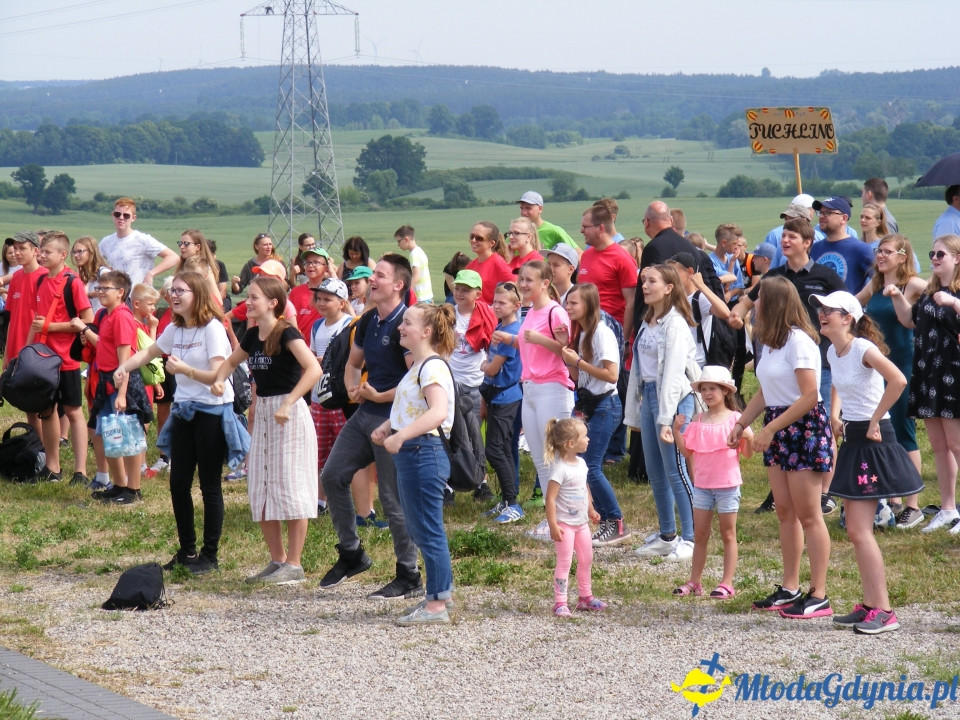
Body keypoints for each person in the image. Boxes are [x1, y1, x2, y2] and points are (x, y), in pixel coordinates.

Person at [115, 271, 248, 575]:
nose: (173, 296)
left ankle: (209, 556)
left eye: (180, 291)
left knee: (210, 485)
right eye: (172, 291)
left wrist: (184, 370)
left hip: (212, 412)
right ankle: (187, 551)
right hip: (185, 411)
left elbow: (217, 377)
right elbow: (149, 352)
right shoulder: (176, 328)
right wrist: (125, 367)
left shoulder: (212, 329)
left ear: (197, 294)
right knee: (178, 484)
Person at [811, 291, 923, 635]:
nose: (822, 314)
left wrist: (875, 420)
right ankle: (872, 605)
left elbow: (899, 380)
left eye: (830, 310)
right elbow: (840, 385)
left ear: (848, 318)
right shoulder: (834, 350)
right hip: (856, 438)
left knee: (860, 531)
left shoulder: (862, 348)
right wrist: (834, 413)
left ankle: (885, 611)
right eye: (821, 309)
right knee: (858, 532)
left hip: (875, 439)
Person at [728, 276, 834, 619]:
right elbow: (765, 390)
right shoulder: (771, 342)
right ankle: (790, 588)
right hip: (779, 424)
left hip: (801, 427)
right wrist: (742, 422)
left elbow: (809, 396)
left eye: (758, 299)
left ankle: (819, 593)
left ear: (773, 303)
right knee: (785, 512)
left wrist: (770, 429)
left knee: (809, 514)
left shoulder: (799, 341)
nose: (753, 305)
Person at [319, 254, 422, 599]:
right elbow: (353, 363)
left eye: (379, 274)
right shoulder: (366, 320)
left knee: (393, 500)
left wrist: (379, 396)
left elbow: (416, 379)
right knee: (332, 476)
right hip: (365, 414)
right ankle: (352, 553)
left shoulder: (404, 323)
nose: (371, 279)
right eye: (372, 274)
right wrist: (351, 386)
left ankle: (409, 574)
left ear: (398, 285)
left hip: (395, 418)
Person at [729, 216, 844, 513]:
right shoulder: (774, 278)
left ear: (808, 242)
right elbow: (747, 300)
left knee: (828, 423)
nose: (786, 240)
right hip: (780, 358)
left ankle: (824, 492)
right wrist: (737, 313)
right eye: (784, 236)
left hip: (819, 357)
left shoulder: (824, 276)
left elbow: (847, 309)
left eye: (792, 236)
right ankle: (786, 491)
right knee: (787, 514)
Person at [212, 275, 321, 584]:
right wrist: (220, 379)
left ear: (273, 303)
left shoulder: (287, 332)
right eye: (248, 296)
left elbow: (314, 369)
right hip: (263, 416)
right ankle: (277, 561)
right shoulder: (252, 335)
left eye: (255, 297)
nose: (248, 301)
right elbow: (231, 362)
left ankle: (295, 564)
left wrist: (289, 402)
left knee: (292, 485)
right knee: (261, 484)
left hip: (289, 414)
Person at [371, 303, 458, 625]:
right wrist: (388, 427)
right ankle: (439, 596)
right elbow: (413, 407)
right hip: (415, 452)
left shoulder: (431, 367)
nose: (400, 328)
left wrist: (400, 436)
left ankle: (436, 606)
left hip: (424, 452)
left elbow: (437, 412)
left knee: (427, 529)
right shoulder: (418, 365)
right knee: (421, 528)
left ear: (427, 331)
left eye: (407, 323)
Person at [492, 260, 573, 538]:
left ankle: (565, 517)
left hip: (553, 387)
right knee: (540, 458)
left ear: (545, 284)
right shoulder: (530, 312)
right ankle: (552, 519)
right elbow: (529, 343)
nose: (523, 285)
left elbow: (565, 351)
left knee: (557, 456)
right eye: (521, 280)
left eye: (529, 280)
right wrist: (511, 340)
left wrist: (538, 338)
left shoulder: (555, 312)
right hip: (531, 388)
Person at [626, 264, 699, 561]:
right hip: (651, 397)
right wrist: (636, 412)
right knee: (655, 471)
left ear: (669, 287)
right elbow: (640, 371)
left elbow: (671, 373)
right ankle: (668, 535)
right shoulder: (648, 321)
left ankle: (693, 538)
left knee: (676, 470)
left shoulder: (676, 324)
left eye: (652, 281)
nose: (645, 285)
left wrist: (666, 417)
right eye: (643, 280)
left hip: (674, 400)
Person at [856, 234, 926, 530]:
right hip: (877, 367)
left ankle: (914, 505)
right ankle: (893, 498)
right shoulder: (874, 284)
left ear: (902, 256)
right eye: (878, 251)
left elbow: (918, 315)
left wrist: (898, 295)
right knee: (884, 430)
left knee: (903, 429)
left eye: (886, 252)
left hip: (902, 364)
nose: (880, 256)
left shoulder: (914, 285)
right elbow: (852, 306)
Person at [891, 234, 960, 533]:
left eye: (941, 254)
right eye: (932, 253)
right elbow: (910, 321)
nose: (934, 258)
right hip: (929, 372)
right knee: (939, 445)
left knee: (957, 444)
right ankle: (948, 508)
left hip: (954, 374)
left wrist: (955, 302)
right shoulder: (930, 290)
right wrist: (896, 296)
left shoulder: (954, 294)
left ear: (957, 258)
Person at [559, 283, 631, 546]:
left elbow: (612, 375)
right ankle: (607, 521)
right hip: (593, 405)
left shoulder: (601, 332)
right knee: (588, 466)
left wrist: (577, 361)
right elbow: (582, 378)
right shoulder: (584, 333)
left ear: (588, 304)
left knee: (590, 467)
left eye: (573, 303)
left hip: (606, 406)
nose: (568, 307)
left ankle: (616, 522)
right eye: (567, 303)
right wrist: (568, 358)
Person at [672, 365, 753, 599]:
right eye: (704, 389)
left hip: (727, 485)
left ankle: (727, 582)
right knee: (700, 534)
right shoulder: (698, 420)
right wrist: (677, 431)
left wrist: (747, 437)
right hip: (703, 486)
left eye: (713, 388)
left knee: (728, 534)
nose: (707, 393)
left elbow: (747, 454)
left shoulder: (736, 420)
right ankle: (695, 581)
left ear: (725, 391)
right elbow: (688, 452)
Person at [27, 231, 94, 485]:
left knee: (74, 411)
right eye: (41, 251)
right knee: (47, 410)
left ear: (62, 255)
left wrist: (51, 327)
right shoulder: (41, 281)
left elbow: (87, 320)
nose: (42, 256)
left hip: (66, 359)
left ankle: (81, 471)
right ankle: (52, 466)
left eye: (47, 252)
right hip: (44, 357)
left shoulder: (72, 282)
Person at [85, 270, 153, 504]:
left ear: (120, 292)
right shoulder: (107, 314)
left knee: (128, 435)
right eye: (99, 288)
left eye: (106, 288)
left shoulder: (122, 316)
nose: (100, 292)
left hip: (120, 382)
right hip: (106, 381)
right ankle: (119, 484)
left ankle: (133, 489)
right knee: (106, 433)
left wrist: (122, 394)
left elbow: (125, 361)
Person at [543, 417, 607, 618]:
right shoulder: (560, 469)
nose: (588, 439)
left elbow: (584, 487)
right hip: (565, 525)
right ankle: (560, 601)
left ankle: (585, 597)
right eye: (584, 436)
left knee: (586, 558)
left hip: (581, 524)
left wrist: (591, 509)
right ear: (571, 443)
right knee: (565, 562)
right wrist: (553, 524)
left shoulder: (581, 464)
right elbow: (550, 499)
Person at [633, 200, 723, 333]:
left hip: (661, 321)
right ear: (670, 220)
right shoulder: (690, 246)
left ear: (647, 222)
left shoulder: (653, 247)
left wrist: (640, 325)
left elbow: (651, 291)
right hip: (690, 317)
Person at [308, 278, 354, 518]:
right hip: (319, 396)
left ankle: (351, 500)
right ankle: (320, 500)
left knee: (346, 450)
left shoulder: (349, 325)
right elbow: (313, 356)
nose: (322, 303)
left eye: (328, 299)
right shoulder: (317, 327)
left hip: (341, 398)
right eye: (319, 298)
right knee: (319, 452)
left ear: (343, 303)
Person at [480, 281, 524, 523]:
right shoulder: (502, 326)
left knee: (495, 449)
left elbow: (493, 368)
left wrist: (484, 366)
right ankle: (508, 500)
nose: (496, 306)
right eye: (494, 301)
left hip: (506, 396)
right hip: (498, 395)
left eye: (502, 302)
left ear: (516, 305)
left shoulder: (513, 332)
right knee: (504, 448)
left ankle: (513, 503)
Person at [577, 203, 637, 340]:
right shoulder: (586, 255)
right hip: (585, 331)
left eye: (585, 227)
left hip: (611, 331)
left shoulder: (622, 258)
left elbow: (631, 302)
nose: (581, 231)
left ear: (601, 228)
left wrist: (625, 339)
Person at [99, 197, 178, 287]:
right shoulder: (106, 242)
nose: (121, 218)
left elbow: (173, 257)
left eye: (126, 215)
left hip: (138, 296)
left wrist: (151, 274)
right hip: (117, 297)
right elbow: (93, 262)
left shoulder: (142, 240)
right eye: (117, 214)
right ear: (113, 215)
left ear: (133, 218)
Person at [810, 197, 874, 294]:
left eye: (828, 212)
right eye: (821, 212)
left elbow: (879, 280)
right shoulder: (814, 248)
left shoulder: (860, 249)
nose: (822, 216)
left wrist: (858, 301)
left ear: (844, 218)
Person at [2, 232, 46, 371]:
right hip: (15, 347)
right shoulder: (16, 277)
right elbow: (11, 319)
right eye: (15, 248)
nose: (17, 253)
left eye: (22, 248)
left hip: (35, 349)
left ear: (35, 251)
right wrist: (7, 354)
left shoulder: (45, 277)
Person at [288, 247, 336, 338]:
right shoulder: (296, 292)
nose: (310, 265)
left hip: (324, 344)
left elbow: (340, 292)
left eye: (316, 262)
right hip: (301, 345)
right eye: (308, 262)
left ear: (325, 267)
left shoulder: (329, 291)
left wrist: (332, 271)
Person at [465, 222, 514, 305]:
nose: (473, 240)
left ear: (491, 243)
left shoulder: (498, 263)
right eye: (472, 236)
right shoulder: (470, 266)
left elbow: (515, 285)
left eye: (479, 238)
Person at [394, 225, 433, 303]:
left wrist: (407, 293)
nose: (398, 245)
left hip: (420, 296)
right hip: (427, 295)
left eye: (399, 241)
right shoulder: (420, 251)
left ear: (406, 239)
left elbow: (416, 276)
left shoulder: (414, 254)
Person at [70, 236, 110, 312]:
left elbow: (109, 290)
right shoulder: (84, 274)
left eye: (80, 251)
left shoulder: (104, 272)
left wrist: (87, 295)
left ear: (91, 251)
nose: (76, 255)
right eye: (74, 252)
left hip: (103, 318)